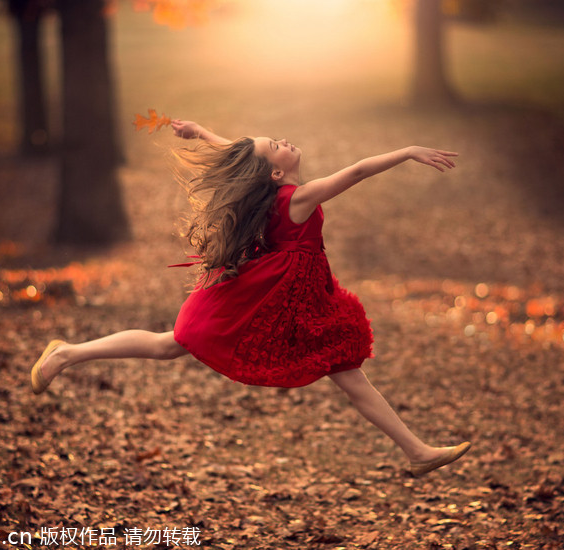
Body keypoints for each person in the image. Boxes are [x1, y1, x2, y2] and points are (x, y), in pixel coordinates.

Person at [31, 120, 470, 476]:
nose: (283, 140)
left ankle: (417, 451)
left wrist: (202, 133)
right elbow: (355, 172)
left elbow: (244, 159)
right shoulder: (297, 197)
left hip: (294, 296)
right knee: (173, 344)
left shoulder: (270, 189)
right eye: (275, 145)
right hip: (273, 295)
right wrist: (407, 151)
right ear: (275, 173)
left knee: (344, 371)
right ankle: (66, 354)